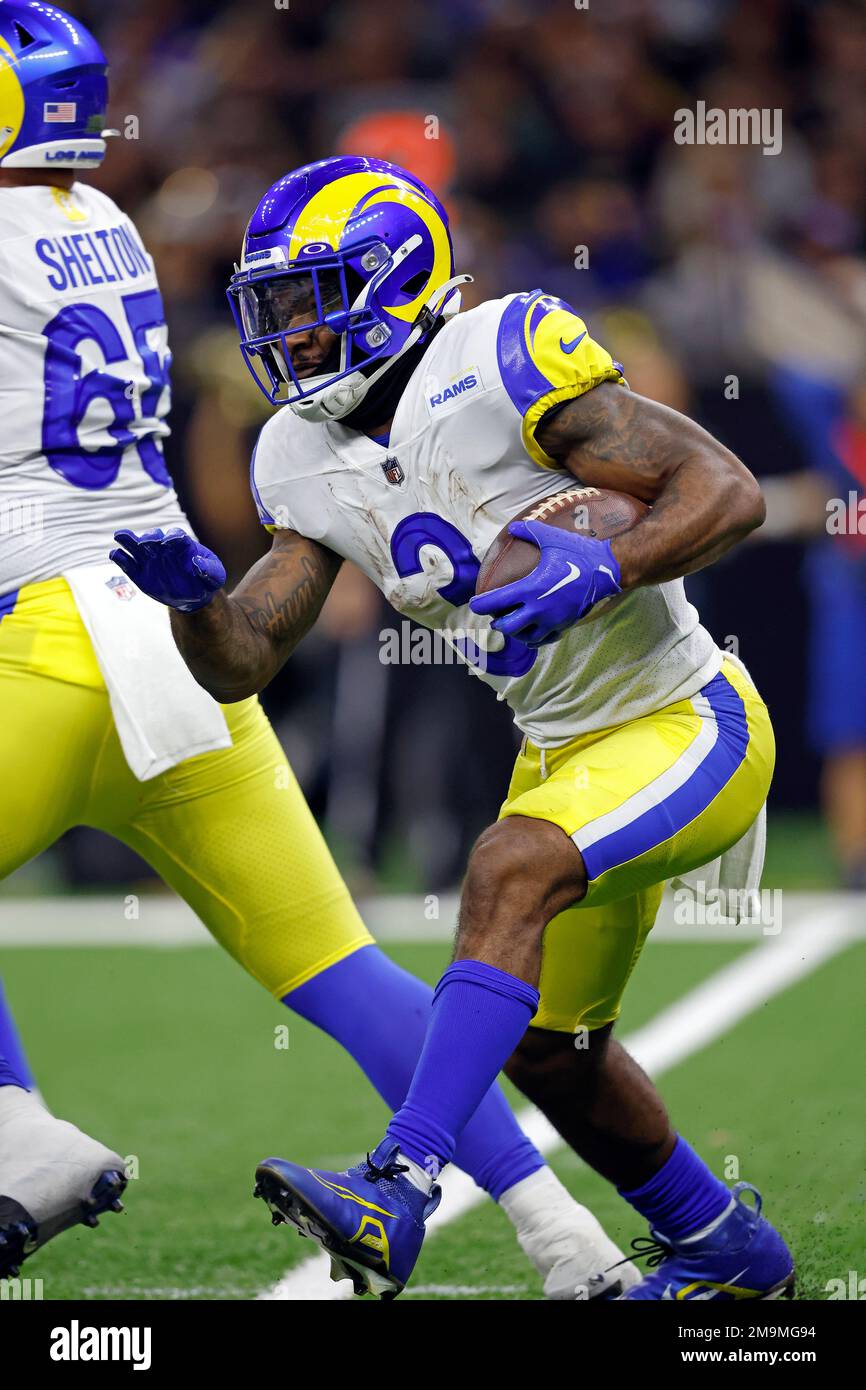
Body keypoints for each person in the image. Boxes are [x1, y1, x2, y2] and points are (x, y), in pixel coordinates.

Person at [0, 7, 632, 1298]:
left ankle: (19, 1129)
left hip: (44, 637)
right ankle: (565, 1235)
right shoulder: (103, 223)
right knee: (341, 968)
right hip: (174, 631)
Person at [114, 155, 795, 1301]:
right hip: (557, 744)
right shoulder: (296, 453)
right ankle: (726, 1246)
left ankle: (399, 1182)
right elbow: (243, 663)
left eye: (308, 301)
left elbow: (725, 489)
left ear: (389, 282)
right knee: (549, 1051)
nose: (288, 333)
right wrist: (194, 602)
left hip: (682, 715)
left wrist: (608, 563)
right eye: (273, 308)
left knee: (505, 865)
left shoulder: (501, 352)